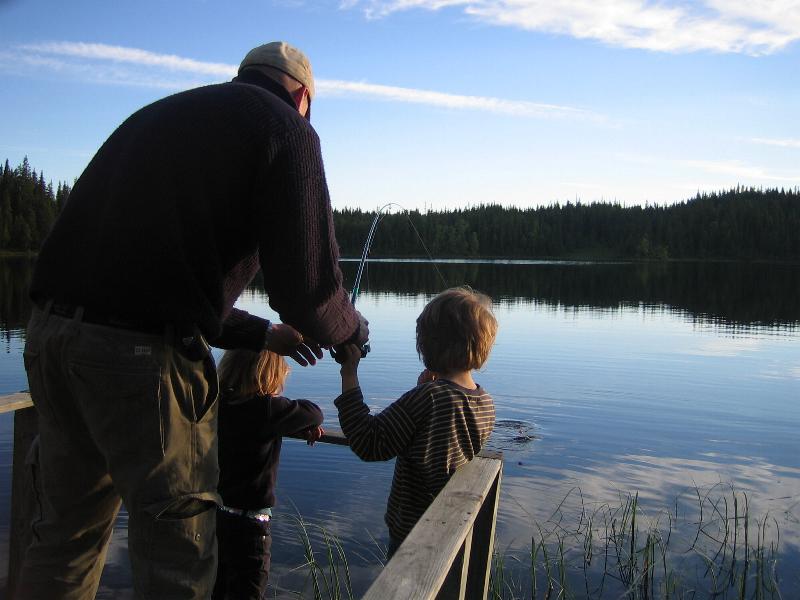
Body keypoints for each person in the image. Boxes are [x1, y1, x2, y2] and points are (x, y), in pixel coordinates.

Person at [19, 41, 368, 600]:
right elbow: (308, 292)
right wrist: (351, 332)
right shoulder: (288, 130)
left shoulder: (162, 115)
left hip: (50, 338)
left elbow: (162, 282)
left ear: (244, 76)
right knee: (177, 558)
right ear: (303, 96)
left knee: (64, 540)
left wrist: (261, 335)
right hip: (136, 360)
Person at [333, 287, 497, 557]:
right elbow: (435, 434)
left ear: (429, 344)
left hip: (413, 535)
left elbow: (368, 442)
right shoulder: (484, 401)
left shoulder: (429, 398)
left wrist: (348, 373)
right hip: (449, 528)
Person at [212, 348, 324, 600]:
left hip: (216, 518)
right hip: (250, 525)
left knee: (217, 590)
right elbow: (314, 412)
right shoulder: (267, 409)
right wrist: (306, 425)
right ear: (270, 375)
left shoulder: (219, 404)